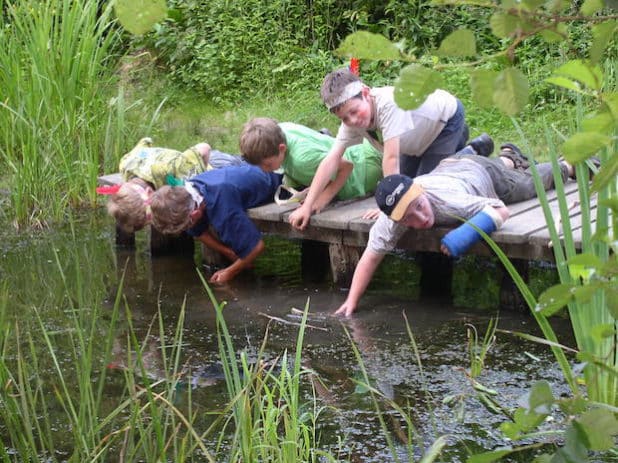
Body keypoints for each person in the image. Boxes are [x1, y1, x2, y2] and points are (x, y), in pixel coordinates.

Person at [334, 144, 580, 317]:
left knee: (527, 185)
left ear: (419, 192)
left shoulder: (448, 201)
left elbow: (500, 211)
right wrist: (351, 302)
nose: (422, 219)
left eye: (419, 207)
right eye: (409, 219)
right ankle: (507, 156)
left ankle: (566, 165)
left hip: (484, 176)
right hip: (451, 165)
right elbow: (370, 258)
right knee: (500, 167)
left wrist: (463, 235)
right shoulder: (390, 221)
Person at [288, 68, 494, 230]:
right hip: (412, 139)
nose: (353, 120)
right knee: (408, 184)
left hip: (443, 123)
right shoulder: (352, 122)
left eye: (354, 111)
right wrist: (307, 206)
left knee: (424, 189)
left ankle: (470, 153)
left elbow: (391, 159)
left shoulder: (389, 104)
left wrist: (388, 205)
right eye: (344, 118)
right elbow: (330, 160)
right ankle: (470, 148)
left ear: (366, 94)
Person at [149, 164, 282, 284]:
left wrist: (230, 272)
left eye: (187, 225)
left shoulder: (222, 206)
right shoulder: (190, 190)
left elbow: (256, 247)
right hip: (248, 171)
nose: (189, 228)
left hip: (276, 177)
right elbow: (199, 232)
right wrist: (228, 252)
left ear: (194, 214)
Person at [102, 137, 244, 232]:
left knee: (251, 167)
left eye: (151, 218)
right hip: (185, 165)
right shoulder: (125, 165)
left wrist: (202, 175)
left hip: (219, 166)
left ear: (150, 194)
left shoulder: (169, 171)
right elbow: (144, 142)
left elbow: (204, 148)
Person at [239, 117, 382, 206]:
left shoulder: (301, 159)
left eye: (268, 164)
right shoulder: (278, 131)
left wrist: (321, 200)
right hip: (360, 148)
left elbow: (346, 167)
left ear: (282, 148)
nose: (264, 169)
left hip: (362, 168)